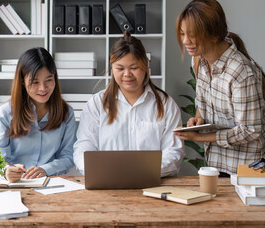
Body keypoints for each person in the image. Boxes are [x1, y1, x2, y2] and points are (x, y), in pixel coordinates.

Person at [174, 0, 265, 176]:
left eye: (192, 34)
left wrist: (200, 138)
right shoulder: (199, 60)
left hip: (251, 167)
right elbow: (203, 100)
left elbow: (251, 131)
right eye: (182, 33)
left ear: (214, 35)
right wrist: (198, 118)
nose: (185, 40)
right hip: (218, 164)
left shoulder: (240, 72)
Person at [73, 31, 185, 177]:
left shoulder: (166, 104)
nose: (127, 74)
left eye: (134, 68)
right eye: (120, 68)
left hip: (152, 183)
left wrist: (141, 172)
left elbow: (174, 151)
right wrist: (97, 171)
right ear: (112, 68)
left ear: (145, 65)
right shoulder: (96, 104)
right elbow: (84, 147)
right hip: (107, 181)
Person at [0, 47, 76, 182]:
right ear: (22, 82)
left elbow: (69, 156)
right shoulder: (6, 113)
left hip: (51, 183)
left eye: (49, 80)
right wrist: (7, 170)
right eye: (35, 82)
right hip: (15, 183)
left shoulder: (67, 113)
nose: (43, 88)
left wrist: (45, 170)